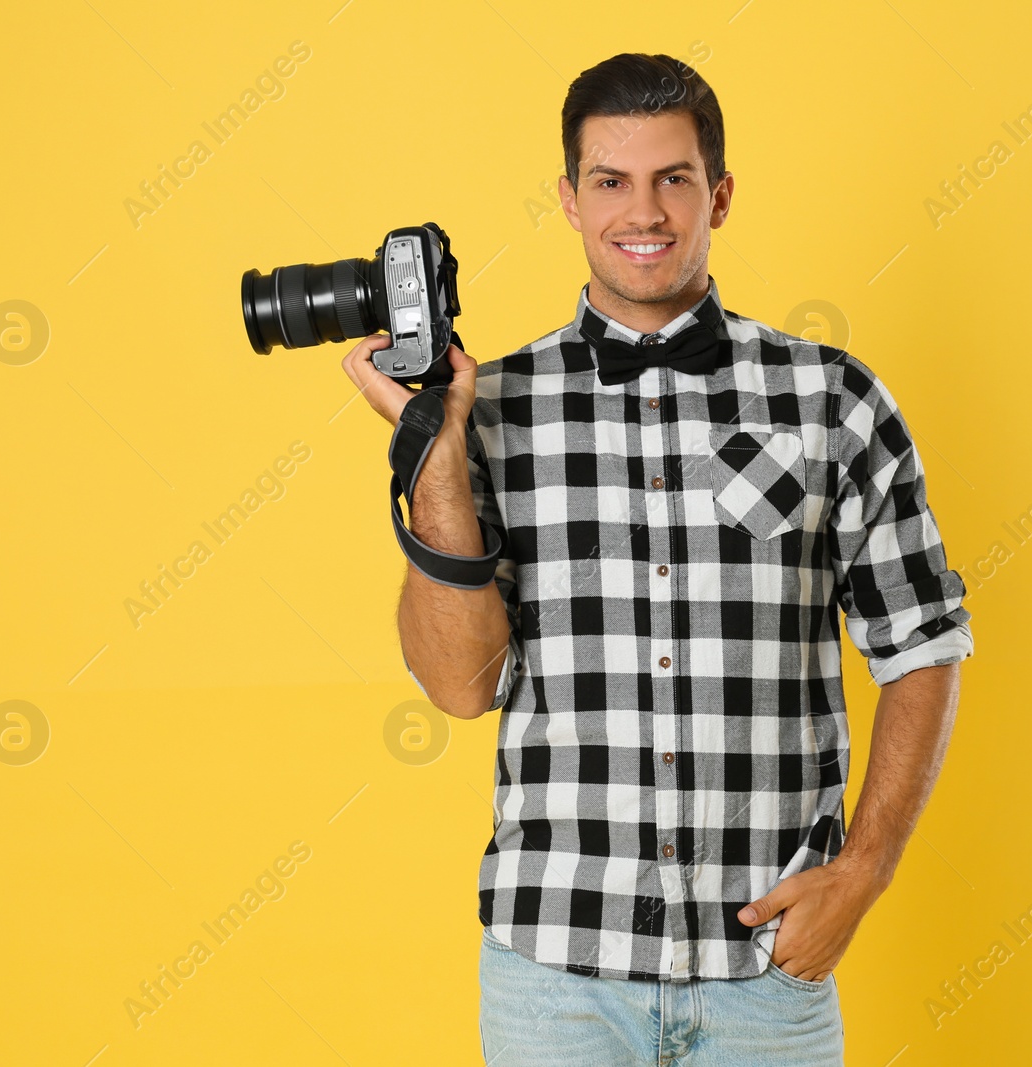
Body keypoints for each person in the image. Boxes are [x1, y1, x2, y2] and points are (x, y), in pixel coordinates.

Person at [342, 51, 973, 1067]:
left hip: (766, 973)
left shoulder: (832, 399)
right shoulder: (487, 409)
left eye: (673, 178)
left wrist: (864, 870)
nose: (644, 211)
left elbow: (923, 641)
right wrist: (438, 452)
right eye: (611, 180)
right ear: (569, 197)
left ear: (718, 194)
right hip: (554, 976)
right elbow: (459, 685)